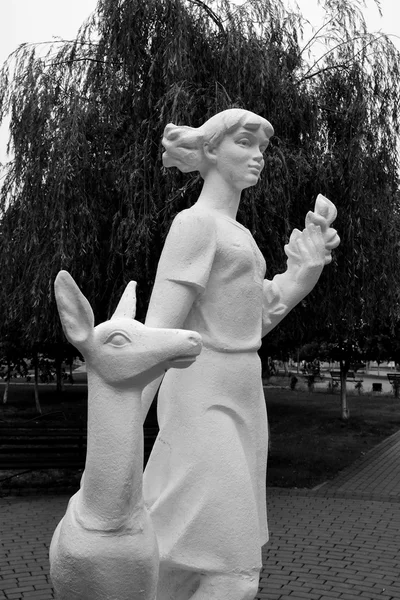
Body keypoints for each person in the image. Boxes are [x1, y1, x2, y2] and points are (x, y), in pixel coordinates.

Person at [142, 108, 339, 600]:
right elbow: (157, 332)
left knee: (184, 556)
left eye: (262, 149)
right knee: (233, 568)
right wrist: (121, 422)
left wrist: (303, 273)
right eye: (245, 143)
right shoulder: (195, 225)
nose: (258, 157)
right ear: (210, 150)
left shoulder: (242, 237)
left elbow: (253, 317)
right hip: (201, 393)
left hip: (244, 396)